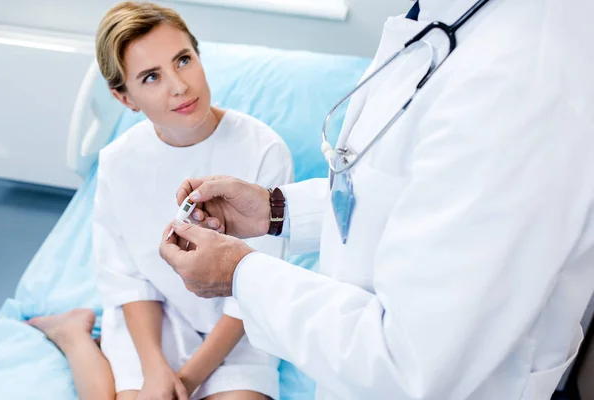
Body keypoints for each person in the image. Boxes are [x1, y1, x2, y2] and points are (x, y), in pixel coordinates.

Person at [159, 0, 594, 399]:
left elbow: (407, 360)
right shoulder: (444, 16)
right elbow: (403, 188)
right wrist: (278, 211)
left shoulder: (519, 82)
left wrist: (239, 274)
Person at [28, 2, 292, 400]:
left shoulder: (264, 150)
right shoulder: (118, 162)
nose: (179, 86)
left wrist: (184, 382)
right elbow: (128, 279)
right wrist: (155, 369)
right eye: (151, 77)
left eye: (183, 60)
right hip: (156, 319)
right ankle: (72, 334)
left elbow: (256, 284)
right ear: (125, 99)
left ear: (199, 56)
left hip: (237, 328)